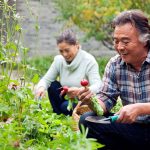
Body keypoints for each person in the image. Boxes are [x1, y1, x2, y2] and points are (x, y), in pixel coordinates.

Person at [77, 10, 150, 150]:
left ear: (145, 40)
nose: (120, 47)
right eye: (116, 41)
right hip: (134, 130)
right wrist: (91, 100)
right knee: (87, 120)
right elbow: (105, 99)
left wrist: (141, 108)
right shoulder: (115, 64)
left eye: (125, 41)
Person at [35, 29, 102, 115]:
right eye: (61, 51)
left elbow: (98, 86)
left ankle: (65, 114)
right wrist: (41, 87)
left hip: (82, 101)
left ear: (76, 45)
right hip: (67, 99)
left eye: (67, 50)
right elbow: (46, 79)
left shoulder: (89, 61)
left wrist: (80, 91)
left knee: (64, 106)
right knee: (53, 85)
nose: (64, 54)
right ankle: (58, 114)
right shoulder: (59, 60)